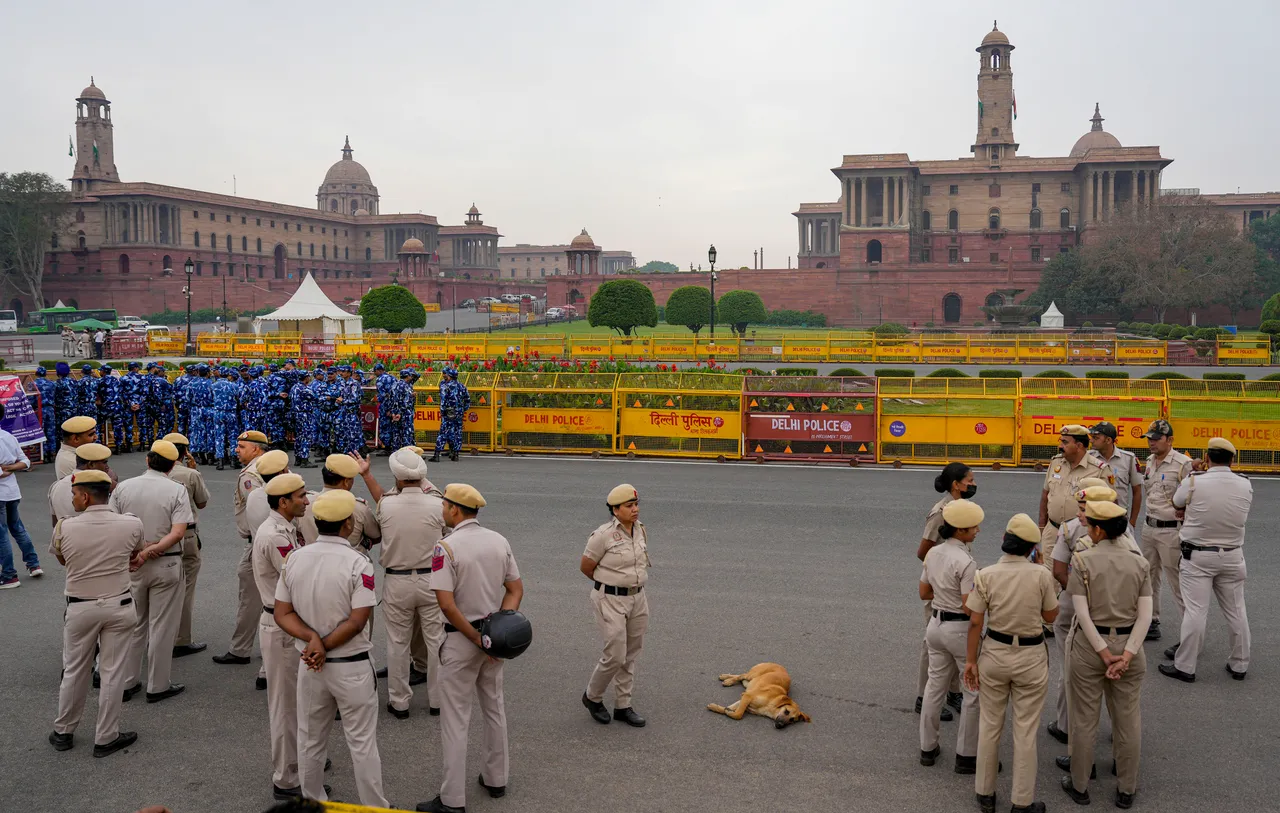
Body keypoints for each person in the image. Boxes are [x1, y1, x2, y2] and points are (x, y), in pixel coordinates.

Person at [274, 489, 389, 808]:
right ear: (349, 523)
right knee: (362, 743)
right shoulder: (358, 563)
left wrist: (312, 643)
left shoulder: (295, 558)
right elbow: (358, 620)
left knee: (310, 740)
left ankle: (313, 802)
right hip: (350, 665)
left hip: (311, 665)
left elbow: (282, 613)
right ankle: (374, 806)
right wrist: (321, 644)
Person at [419, 484, 523, 813]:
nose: (442, 510)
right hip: (493, 638)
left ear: (454, 510)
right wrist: (498, 630)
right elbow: (515, 589)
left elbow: (448, 606)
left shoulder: (445, 548)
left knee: (455, 720)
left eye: (444, 505)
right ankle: (496, 778)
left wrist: (477, 638)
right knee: (494, 709)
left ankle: (452, 800)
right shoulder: (498, 540)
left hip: (460, 639)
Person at [1061, 500, 1152, 809]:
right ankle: (1126, 789)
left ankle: (1080, 785)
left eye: (1090, 525)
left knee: (1084, 719)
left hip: (1090, 646)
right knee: (1128, 720)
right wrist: (1125, 655)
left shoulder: (1084, 560)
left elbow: (1082, 613)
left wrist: (1103, 652)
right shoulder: (1139, 562)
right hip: (1129, 642)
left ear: (1098, 530)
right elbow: (1145, 616)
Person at [963, 513, 1057, 813]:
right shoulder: (1041, 574)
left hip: (994, 653)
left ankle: (985, 794)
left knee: (990, 724)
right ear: (1032, 548)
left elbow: (975, 622)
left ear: (1004, 543)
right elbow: (1051, 617)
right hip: (1030, 656)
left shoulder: (985, 574)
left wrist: (970, 661)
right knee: (1026, 730)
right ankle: (1021, 801)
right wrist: (1040, 565)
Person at [47, 469, 143, 757]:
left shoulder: (64, 527)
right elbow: (134, 556)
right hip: (119, 604)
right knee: (113, 673)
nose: (73, 499)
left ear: (86, 496)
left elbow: (65, 560)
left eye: (75, 494)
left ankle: (64, 730)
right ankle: (106, 736)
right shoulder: (131, 524)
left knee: (75, 669)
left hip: (80, 606)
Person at [1160, 436, 1253, 683]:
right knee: (1236, 611)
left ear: (1208, 458)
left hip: (1198, 554)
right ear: (1232, 460)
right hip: (1233, 554)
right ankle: (1240, 664)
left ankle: (1186, 666)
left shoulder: (1194, 481)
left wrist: (1193, 475)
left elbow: (1176, 502)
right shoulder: (1245, 483)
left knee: (1195, 612)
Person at [111, 440, 194, 703]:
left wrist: (140, 550)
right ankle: (158, 685)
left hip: (132, 562)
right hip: (166, 561)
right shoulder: (176, 490)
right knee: (162, 626)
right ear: (172, 466)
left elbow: (115, 524)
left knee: (133, 625)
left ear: (147, 460)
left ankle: (128, 681)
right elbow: (179, 531)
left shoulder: (124, 487)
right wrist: (153, 549)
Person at [1046, 481, 1125, 744]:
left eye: (1084, 507)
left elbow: (1058, 571)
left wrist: (1081, 596)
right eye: (1080, 507)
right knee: (1117, 679)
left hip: (1074, 609)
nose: (1079, 513)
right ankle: (1120, 735)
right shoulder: (1125, 533)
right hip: (1115, 610)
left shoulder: (1068, 529)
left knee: (1070, 669)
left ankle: (1067, 727)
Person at [252, 472, 312, 799]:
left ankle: (300, 764)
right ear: (284, 502)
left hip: (287, 622)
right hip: (280, 627)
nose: (307, 500)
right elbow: (298, 577)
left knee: (298, 701)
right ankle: (287, 779)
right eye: (301, 496)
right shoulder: (275, 535)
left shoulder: (288, 527)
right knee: (286, 705)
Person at [376, 448, 446, 719]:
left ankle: (400, 702)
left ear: (396, 476)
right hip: (432, 579)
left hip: (398, 580)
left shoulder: (386, 504)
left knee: (397, 643)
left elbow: (375, 530)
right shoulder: (439, 503)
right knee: (437, 642)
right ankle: (438, 701)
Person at [580, 483, 650, 727]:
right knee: (615, 654)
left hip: (637, 597)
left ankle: (623, 705)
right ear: (615, 510)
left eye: (636, 504)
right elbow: (586, 566)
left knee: (630, 654)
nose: (635, 509)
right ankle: (592, 696)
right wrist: (609, 586)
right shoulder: (603, 535)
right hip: (610, 598)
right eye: (629, 506)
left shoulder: (640, 529)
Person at [919, 499, 980, 771]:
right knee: (972, 692)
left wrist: (944, 596)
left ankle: (927, 749)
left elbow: (923, 593)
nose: (977, 531)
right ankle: (966, 755)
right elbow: (970, 606)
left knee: (934, 688)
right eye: (973, 527)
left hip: (936, 625)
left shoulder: (934, 554)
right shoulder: (966, 561)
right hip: (959, 629)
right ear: (961, 531)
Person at [914, 462, 974, 720]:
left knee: (953, 644)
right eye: (969, 480)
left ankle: (953, 693)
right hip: (941, 587)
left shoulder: (961, 509)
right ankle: (923, 697)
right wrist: (943, 571)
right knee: (933, 644)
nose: (972, 484)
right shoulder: (941, 512)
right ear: (955, 485)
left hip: (956, 583)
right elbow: (923, 551)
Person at [213, 430, 269, 669]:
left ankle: (241, 650)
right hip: (267, 541)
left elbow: (259, 510)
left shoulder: (251, 475)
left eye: (242, 446)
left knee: (252, 597)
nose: (236, 450)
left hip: (258, 543)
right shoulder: (273, 467)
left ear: (256, 449)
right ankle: (244, 647)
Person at [1140, 419, 1193, 642]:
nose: (1152, 443)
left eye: (1156, 439)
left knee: (1178, 581)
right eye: (1149, 438)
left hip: (1171, 531)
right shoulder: (1150, 461)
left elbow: (1191, 500)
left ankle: (1190, 632)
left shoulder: (1184, 464)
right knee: (1148, 576)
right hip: (1149, 527)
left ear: (1170, 440)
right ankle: (1151, 620)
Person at [164, 433, 211, 659]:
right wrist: (195, 470)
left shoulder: (151, 476)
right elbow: (201, 503)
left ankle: (158, 635)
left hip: (160, 535)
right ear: (184, 453)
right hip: (187, 534)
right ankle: (181, 639)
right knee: (186, 587)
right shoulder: (190, 474)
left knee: (160, 589)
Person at [1039, 426, 1112, 568]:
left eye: (1065, 442)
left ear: (1079, 446)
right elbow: (1045, 496)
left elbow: (1110, 505)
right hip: (1053, 530)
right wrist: (1042, 527)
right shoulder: (1056, 463)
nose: (1060, 446)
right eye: (1061, 441)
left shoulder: (1099, 470)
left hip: (1083, 533)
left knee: (1081, 575)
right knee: (1051, 576)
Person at [296, 453, 381, 550]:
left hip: (313, 561)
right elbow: (376, 536)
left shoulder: (305, 503)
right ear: (346, 482)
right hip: (351, 562)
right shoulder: (358, 507)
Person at [0, 402, 39, 589]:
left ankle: (9, 575)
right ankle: (33, 564)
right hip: (12, 492)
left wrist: (5, 470)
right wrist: (11, 468)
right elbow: (25, 461)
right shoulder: (8, 436)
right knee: (17, 528)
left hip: (1, 493)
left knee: (2, 534)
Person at [49, 442, 114, 527]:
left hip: (66, 536)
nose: (107, 467)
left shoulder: (56, 486)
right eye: (104, 462)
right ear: (91, 464)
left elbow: (55, 523)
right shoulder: (100, 486)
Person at [1087, 422, 1141, 522]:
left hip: (1118, 517)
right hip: (1094, 517)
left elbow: (1137, 491)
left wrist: (1132, 522)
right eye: (1092, 437)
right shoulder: (1088, 458)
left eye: (1096, 438)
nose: (1091, 440)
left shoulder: (1128, 459)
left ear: (1108, 440)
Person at [429, 367, 469, 463]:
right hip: (458, 412)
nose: (443, 376)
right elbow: (467, 400)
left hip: (448, 412)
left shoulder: (444, 386)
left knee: (443, 433)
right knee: (457, 432)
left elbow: (443, 401)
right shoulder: (461, 386)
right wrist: (463, 409)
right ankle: (455, 454)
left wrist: (443, 412)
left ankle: (437, 454)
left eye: (445, 374)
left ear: (450, 376)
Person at [211, 367, 241, 470]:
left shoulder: (213, 385)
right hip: (231, 413)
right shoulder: (234, 386)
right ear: (228, 374)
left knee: (219, 436)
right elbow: (238, 398)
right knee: (233, 436)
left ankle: (220, 461)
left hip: (218, 412)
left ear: (219, 374)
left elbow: (211, 398)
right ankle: (234, 460)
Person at [289, 370, 317, 468]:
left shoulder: (294, 387)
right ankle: (305, 459)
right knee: (306, 436)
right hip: (305, 415)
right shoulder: (305, 389)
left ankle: (298, 459)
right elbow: (315, 397)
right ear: (306, 378)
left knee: (299, 437)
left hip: (296, 415)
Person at [98, 365, 127, 453]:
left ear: (103, 371)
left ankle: (99, 446)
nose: (100, 372)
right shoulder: (116, 380)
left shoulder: (100, 381)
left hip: (105, 407)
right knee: (117, 427)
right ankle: (118, 446)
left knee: (98, 425)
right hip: (117, 406)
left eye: (101, 371)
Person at [34, 366, 59, 463]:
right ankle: (52, 452)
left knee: (41, 432)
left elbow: (31, 398)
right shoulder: (52, 383)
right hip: (50, 409)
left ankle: (42, 453)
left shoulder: (33, 384)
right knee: (51, 431)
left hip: (40, 409)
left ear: (36, 374)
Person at [374, 364, 397, 455]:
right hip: (394, 406)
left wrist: (388, 409)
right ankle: (394, 446)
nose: (374, 373)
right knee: (393, 427)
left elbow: (385, 396)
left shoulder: (380, 380)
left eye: (375, 371)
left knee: (385, 427)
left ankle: (388, 448)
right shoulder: (393, 378)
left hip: (385, 406)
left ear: (379, 370)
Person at [148, 364, 174, 439]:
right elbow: (171, 389)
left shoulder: (147, 379)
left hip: (149, 404)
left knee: (150, 425)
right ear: (159, 372)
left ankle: (150, 441)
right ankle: (161, 440)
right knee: (164, 424)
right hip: (163, 404)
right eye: (163, 371)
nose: (164, 373)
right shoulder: (162, 381)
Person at [53, 363, 76, 443]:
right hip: (73, 410)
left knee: (62, 431)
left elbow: (54, 396)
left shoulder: (58, 383)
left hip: (62, 410)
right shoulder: (74, 381)